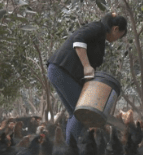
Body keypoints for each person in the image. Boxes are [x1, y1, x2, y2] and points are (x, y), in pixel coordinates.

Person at [47, 12, 128, 144]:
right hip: (61, 71)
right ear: (115, 29)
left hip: (59, 71)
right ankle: (71, 152)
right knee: (80, 114)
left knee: (76, 114)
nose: (118, 39)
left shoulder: (100, 38)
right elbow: (78, 40)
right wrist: (86, 66)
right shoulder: (98, 28)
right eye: (120, 36)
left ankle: (71, 151)